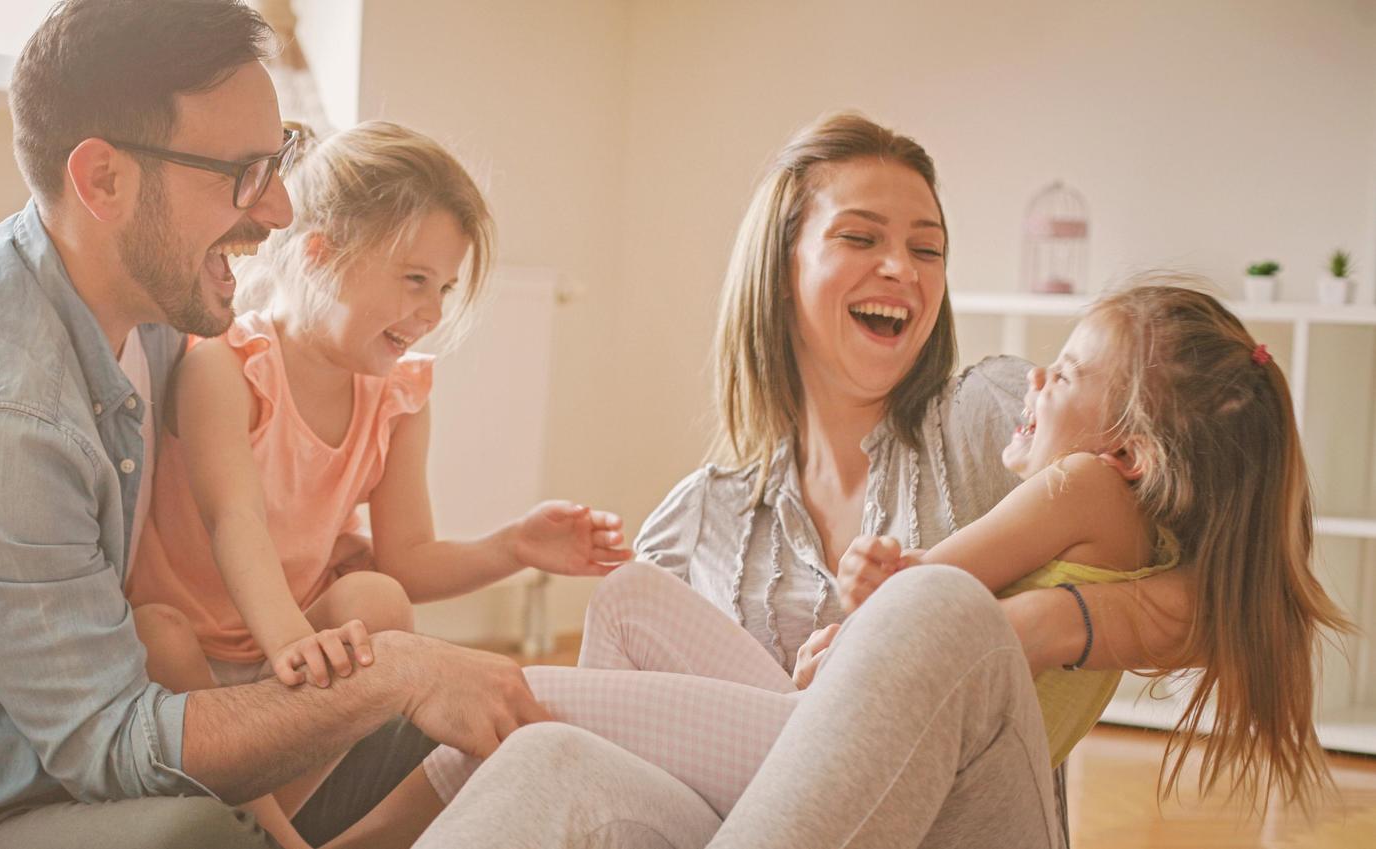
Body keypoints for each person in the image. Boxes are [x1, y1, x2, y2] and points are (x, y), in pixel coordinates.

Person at [0, 4, 544, 848]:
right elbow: (112, 744)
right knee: (192, 833)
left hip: (70, 759)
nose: (282, 210)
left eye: (279, 155)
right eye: (243, 171)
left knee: (450, 739)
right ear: (103, 181)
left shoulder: (143, 304)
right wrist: (389, 673)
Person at [401, 113, 1210, 848]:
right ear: (780, 266)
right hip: (758, 817)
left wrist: (1039, 621)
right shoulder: (695, 519)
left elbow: (1224, 592)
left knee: (926, 611)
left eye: (926, 248)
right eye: (860, 238)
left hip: (956, 819)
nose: (900, 266)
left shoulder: (997, 417)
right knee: (558, 745)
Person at [383, 281, 1350, 848]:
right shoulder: (1160, 550)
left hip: (865, 756)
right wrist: (875, 610)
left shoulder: (1080, 488)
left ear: (1128, 453)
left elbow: (935, 593)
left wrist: (864, 608)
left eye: (1067, 373)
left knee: (515, 703)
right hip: (836, 731)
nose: (1036, 378)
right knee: (631, 595)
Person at [123, 120, 631, 848]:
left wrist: (515, 544)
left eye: (446, 289)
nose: (431, 313)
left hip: (287, 653)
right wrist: (292, 643)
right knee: (153, 631)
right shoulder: (228, 367)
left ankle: (284, 819)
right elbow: (234, 518)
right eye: (414, 280)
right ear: (321, 255)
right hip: (195, 656)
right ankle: (266, 832)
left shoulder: (394, 397)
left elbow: (407, 559)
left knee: (376, 596)